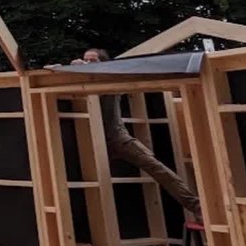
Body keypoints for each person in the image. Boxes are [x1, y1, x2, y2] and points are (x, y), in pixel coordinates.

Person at [71, 48, 203, 215]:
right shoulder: (78, 81)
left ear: (103, 64)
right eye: (86, 60)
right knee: (88, 184)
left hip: (118, 138)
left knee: (156, 167)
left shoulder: (111, 78)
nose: (88, 64)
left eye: (93, 61)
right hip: (91, 140)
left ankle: (197, 207)